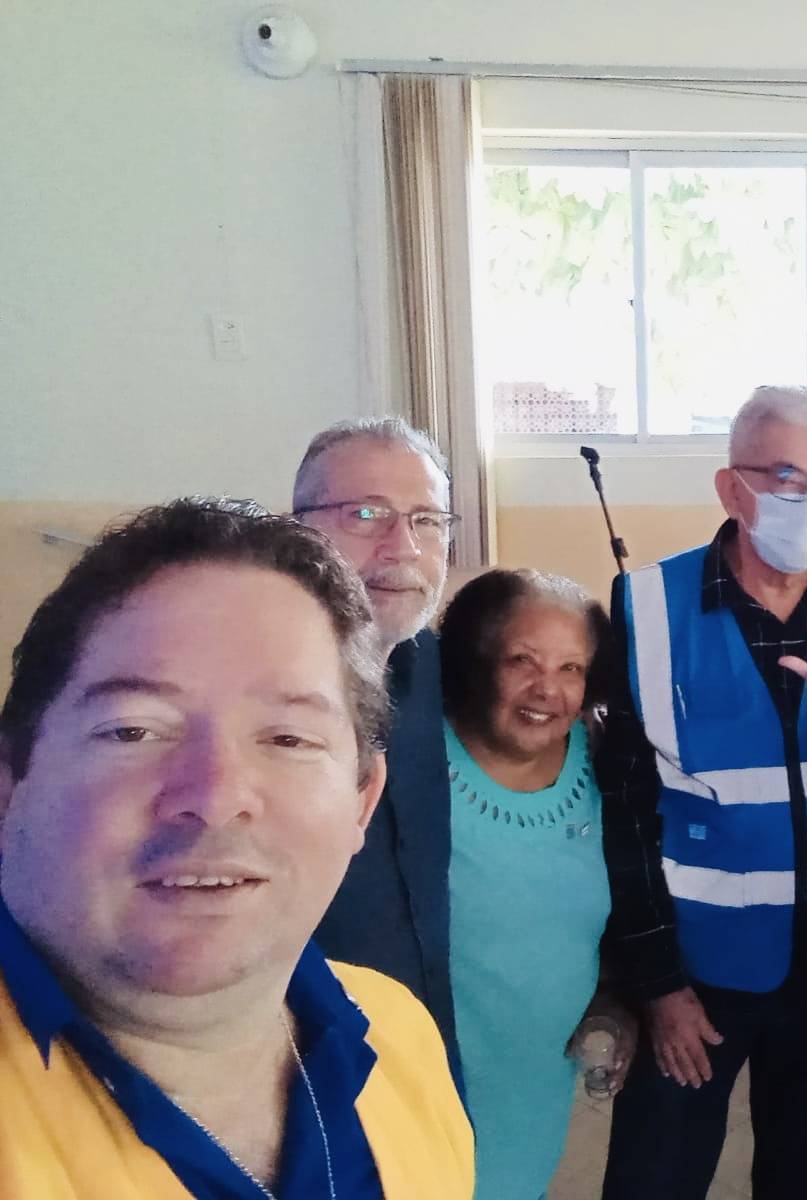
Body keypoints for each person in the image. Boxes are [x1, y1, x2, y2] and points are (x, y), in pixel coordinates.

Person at [0, 498, 473, 1198]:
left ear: (361, 802)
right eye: (133, 731)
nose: (215, 797)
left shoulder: (397, 1035)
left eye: (288, 739)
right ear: (11, 785)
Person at [598, 384, 807, 1200]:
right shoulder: (647, 610)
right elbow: (625, 817)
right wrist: (657, 983)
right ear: (733, 488)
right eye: (788, 480)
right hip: (696, 971)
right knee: (655, 1178)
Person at [436, 568, 636, 1199]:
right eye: (522, 660)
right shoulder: (412, 761)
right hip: (424, 1076)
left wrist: (615, 997)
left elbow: (623, 898)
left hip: (535, 1081)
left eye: (571, 669)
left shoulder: (604, 758)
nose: (546, 689)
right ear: (479, 660)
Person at [292, 418, 462, 1069]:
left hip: (420, 1054)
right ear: (300, 528)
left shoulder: (433, 672)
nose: (404, 548)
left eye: (427, 520)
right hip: (289, 1075)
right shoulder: (234, 688)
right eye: (366, 514)